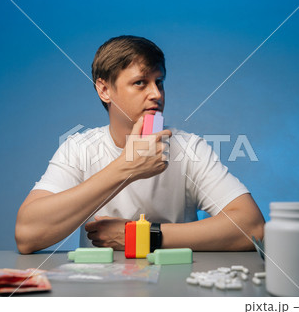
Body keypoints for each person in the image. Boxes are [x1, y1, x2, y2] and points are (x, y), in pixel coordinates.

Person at [15, 35, 264, 254]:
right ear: (104, 90)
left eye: (159, 81)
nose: (156, 93)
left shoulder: (189, 149)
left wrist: (140, 236)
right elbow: (27, 236)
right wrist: (127, 167)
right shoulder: (79, 148)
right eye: (140, 82)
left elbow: (253, 227)